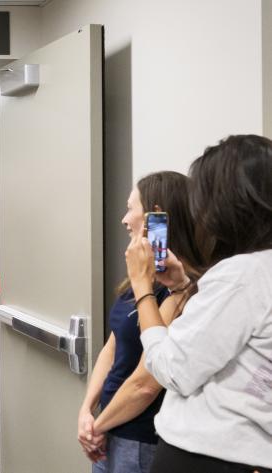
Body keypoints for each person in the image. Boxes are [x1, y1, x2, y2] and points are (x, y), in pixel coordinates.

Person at [126, 134, 272, 473]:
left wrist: (142, 288)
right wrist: (186, 286)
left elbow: (172, 370)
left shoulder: (243, 275)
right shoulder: (257, 272)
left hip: (209, 458)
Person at [77, 171, 205, 473]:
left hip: (140, 441)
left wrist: (97, 426)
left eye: (130, 208)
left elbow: (146, 383)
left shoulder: (182, 287)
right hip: (109, 430)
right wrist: (87, 409)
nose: (124, 219)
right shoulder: (141, 276)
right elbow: (112, 346)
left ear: (155, 216)